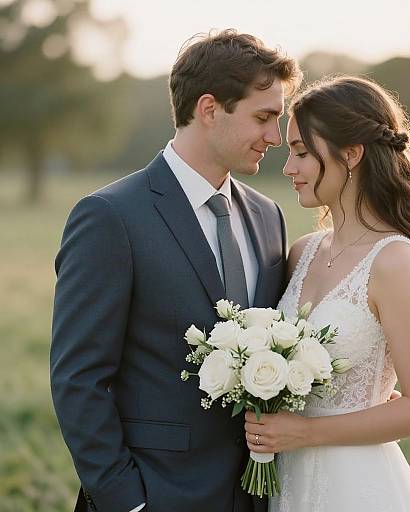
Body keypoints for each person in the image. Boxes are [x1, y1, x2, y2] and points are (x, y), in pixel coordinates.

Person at [50, 29, 302, 512]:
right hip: (155, 493)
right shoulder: (109, 216)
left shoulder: (269, 215)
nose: (275, 137)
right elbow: (78, 379)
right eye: (264, 117)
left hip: (254, 495)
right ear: (209, 109)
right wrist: (127, 501)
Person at [244, 75, 410, 511]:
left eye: (302, 153)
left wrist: (305, 433)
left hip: (356, 485)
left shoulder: (393, 261)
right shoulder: (302, 252)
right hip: (289, 481)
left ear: (352, 154)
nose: (289, 168)